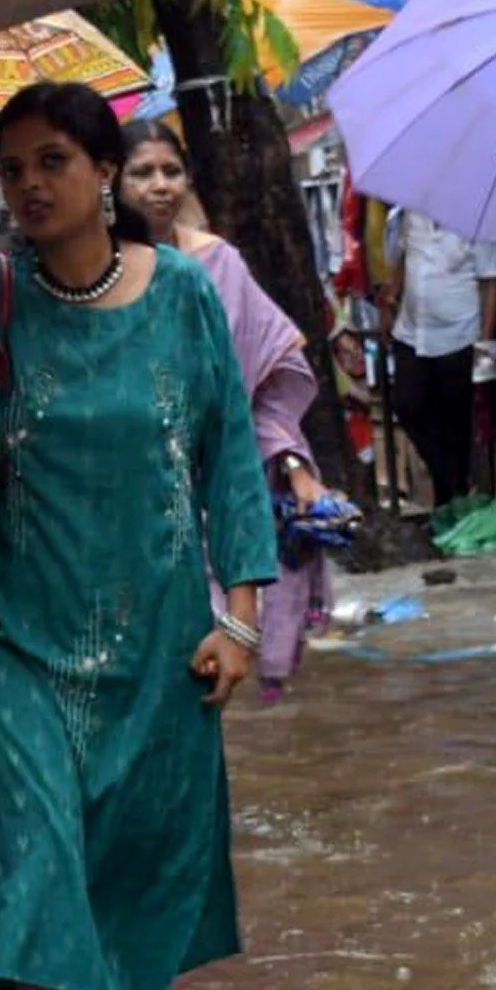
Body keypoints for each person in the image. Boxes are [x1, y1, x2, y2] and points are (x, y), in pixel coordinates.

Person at [0, 83, 276, 990]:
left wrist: (240, 617)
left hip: (159, 637)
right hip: (14, 635)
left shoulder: (181, 291)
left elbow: (228, 455)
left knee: (137, 864)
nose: (29, 186)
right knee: (38, 861)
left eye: (52, 162)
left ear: (104, 172)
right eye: (11, 168)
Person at [118, 120, 337, 702]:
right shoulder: (94, 275)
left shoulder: (219, 264)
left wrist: (295, 468)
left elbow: (266, 383)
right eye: (142, 172)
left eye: (171, 171)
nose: (159, 185)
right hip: (133, 496)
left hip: (218, 485)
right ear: (110, 181)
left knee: (214, 662)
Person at [383, 207, 496, 509]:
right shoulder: (412, 214)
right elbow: (404, 258)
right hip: (412, 331)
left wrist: (484, 344)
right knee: (407, 406)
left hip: (458, 336)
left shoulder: (476, 219)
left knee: (454, 423)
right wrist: (391, 296)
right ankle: (454, 484)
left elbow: (490, 284)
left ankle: (449, 503)